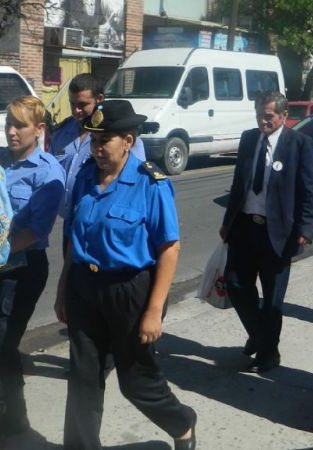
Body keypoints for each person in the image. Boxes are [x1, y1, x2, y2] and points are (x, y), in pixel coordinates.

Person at [54, 100, 197, 450]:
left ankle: (182, 424)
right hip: (84, 287)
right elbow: (75, 239)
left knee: (136, 381)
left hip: (130, 292)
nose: (98, 148)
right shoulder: (86, 176)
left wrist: (153, 310)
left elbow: (169, 249)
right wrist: (62, 290)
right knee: (83, 377)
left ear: (129, 141)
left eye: (106, 140)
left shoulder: (151, 183)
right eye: (93, 140)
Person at [0, 96, 65, 450]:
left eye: (20, 125)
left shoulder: (48, 172)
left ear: (39, 130)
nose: (11, 131)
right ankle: (16, 418)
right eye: (8, 123)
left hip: (23, 271)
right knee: (4, 347)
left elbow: (35, 233)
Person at [219, 91, 313, 373]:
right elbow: (239, 183)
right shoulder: (249, 139)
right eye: (259, 114)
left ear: (284, 116)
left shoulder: (299, 144)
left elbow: (309, 190)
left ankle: (267, 354)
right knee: (236, 285)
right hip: (244, 227)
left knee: (273, 298)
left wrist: (305, 228)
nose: (262, 121)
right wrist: (228, 222)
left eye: (269, 116)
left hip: (279, 234)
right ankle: (261, 337)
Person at [51, 73, 146, 254]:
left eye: (82, 105)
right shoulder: (61, 132)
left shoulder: (119, 135)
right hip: (73, 223)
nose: (76, 111)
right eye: (72, 104)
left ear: (99, 99)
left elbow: (136, 182)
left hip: (107, 223)